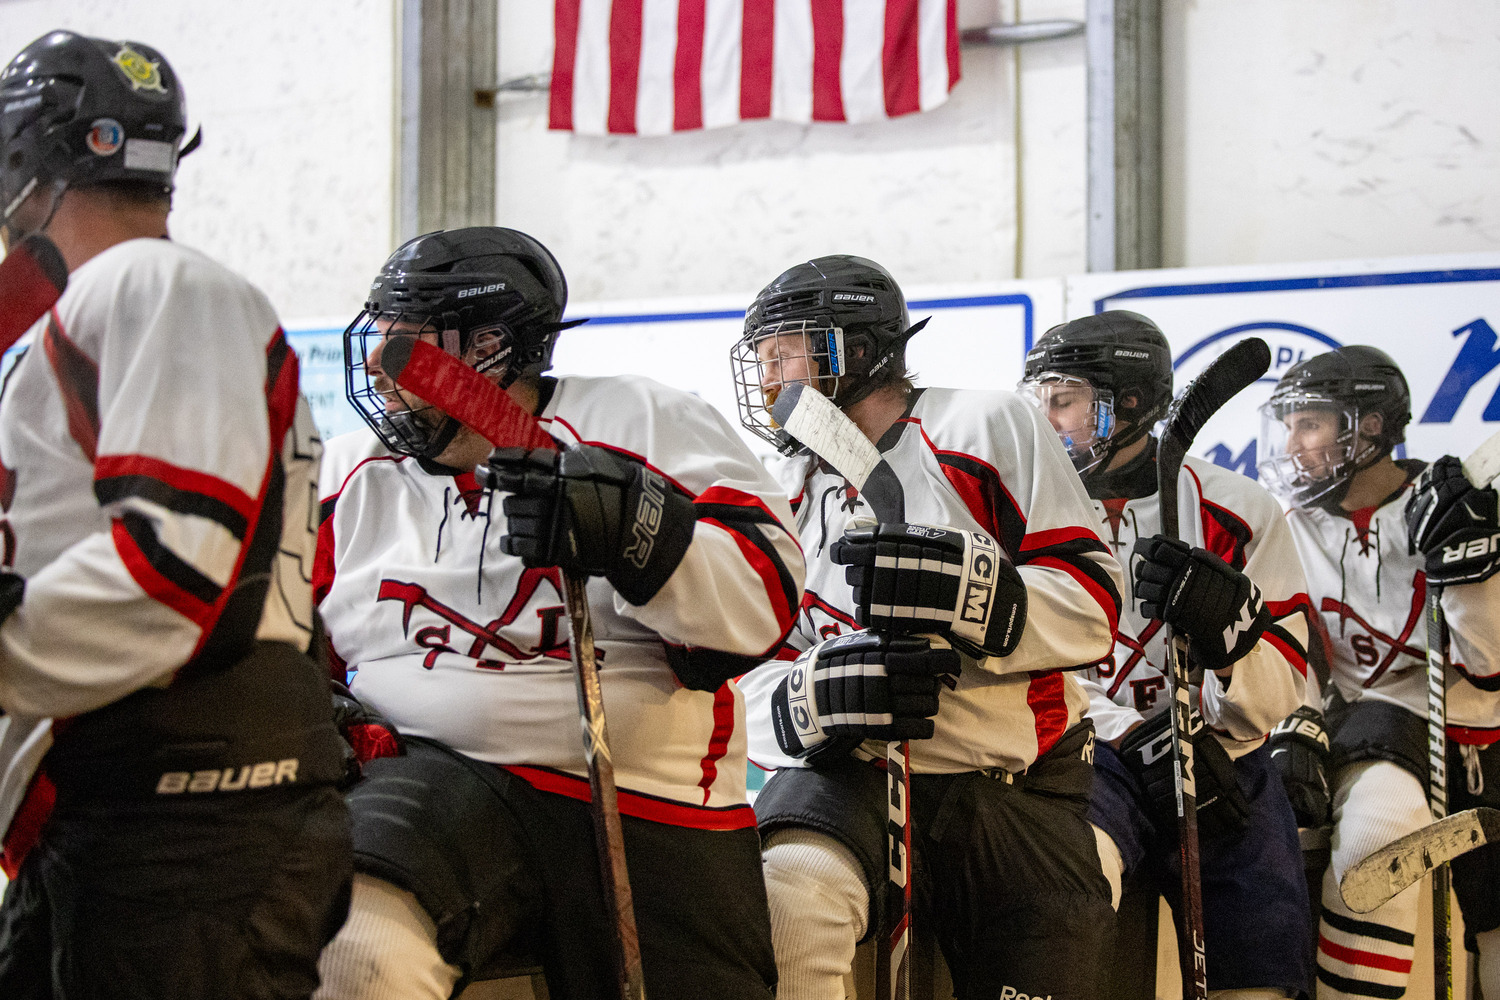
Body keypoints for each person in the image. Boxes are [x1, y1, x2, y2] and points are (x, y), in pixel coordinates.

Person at [312, 226, 804, 1000]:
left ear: (489, 348)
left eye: (405, 335)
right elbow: (288, 645)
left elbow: (765, 604)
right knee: (359, 946)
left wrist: (642, 532)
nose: (376, 359)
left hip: (649, 803)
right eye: (376, 329)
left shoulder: (643, 421)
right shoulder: (346, 475)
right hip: (425, 786)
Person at [0, 30, 351, 999]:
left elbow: (172, 568)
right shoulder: (117, 303)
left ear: (26, 161)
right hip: (131, 800)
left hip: (187, 811)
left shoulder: (152, 283)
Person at [730, 255, 1124, 1000]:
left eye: (785, 353)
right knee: (789, 901)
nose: (769, 380)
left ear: (855, 347)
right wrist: (808, 697)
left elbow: (1094, 605)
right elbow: (742, 664)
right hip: (847, 779)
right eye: (761, 360)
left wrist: (977, 597)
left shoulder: (982, 424)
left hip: (1016, 787)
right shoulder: (780, 483)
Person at [1018, 311, 1315, 1000]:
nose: (1044, 420)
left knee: (1262, 955)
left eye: (1062, 400)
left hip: (1217, 760)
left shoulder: (1239, 511)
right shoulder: (1018, 507)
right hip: (1079, 756)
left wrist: (1228, 644)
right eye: (1038, 401)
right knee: (1062, 896)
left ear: (1126, 403)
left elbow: (1278, 690)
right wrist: (1126, 729)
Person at [1259, 345, 1500, 1000]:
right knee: (1374, 839)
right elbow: (1286, 652)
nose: (1293, 443)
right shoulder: (1285, 524)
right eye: (1287, 425)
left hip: (1479, 738)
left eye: (1308, 423)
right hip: (1367, 738)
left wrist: (1473, 573)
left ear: (1367, 426)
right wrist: (1295, 722)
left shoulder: (1459, 506)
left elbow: (1490, 665)